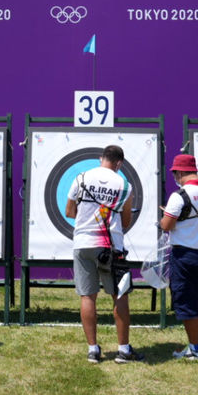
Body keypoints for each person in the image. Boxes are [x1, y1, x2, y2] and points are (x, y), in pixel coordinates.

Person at [65, 144, 144, 364]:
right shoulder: (123, 184)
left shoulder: (81, 178)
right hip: (111, 246)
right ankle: (123, 350)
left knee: (87, 296)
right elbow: (126, 221)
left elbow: (69, 211)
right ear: (119, 163)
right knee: (119, 295)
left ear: (102, 158)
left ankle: (92, 350)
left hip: (82, 243)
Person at [159, 154, 198, 361]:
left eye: (175, 174)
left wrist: (167, 216)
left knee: (187, 301)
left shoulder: (179, 196)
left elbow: (167, 226)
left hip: (184, 256)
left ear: (179, 172)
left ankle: (195, 349)